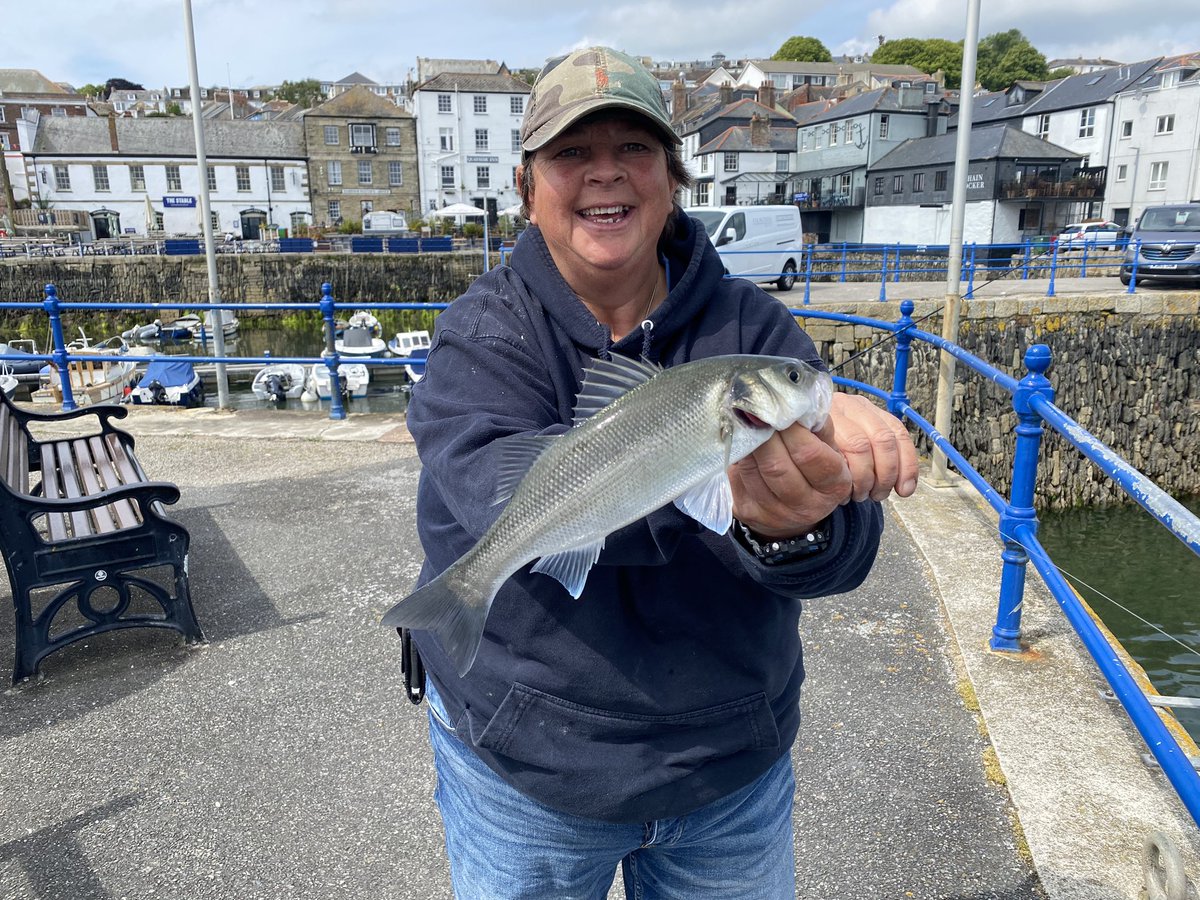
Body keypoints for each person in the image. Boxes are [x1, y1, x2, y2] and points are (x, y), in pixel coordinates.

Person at [401, 46, 919, 899]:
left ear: (672, 177)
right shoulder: (481, 334)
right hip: (527, 773)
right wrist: (717, 504)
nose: (606, 175)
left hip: (729, 775)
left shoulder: (752, 329)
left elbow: (848, 553)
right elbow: (484, 490)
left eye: (634, 150)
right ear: (528, 188)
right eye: (572, 154)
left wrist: (798, 526)